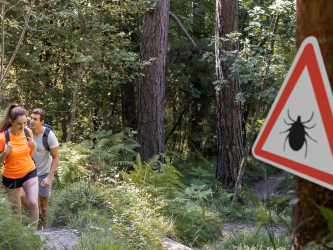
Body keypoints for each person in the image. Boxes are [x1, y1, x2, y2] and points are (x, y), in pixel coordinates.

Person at [0, 104, 38, 232]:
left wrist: (34, 147)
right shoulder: (2, 138)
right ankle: (20, 240)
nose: (23, 127)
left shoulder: (28, 132)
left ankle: (33, 237)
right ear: (11, 122)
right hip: (10, 176)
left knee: (33, 202)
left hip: (29, 171)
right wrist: (5, 152)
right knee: (16, 212)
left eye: (25, 122)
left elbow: (29, 153)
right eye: (19, 124)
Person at [20, 108, 59, 230]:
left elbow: (56, 158)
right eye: (31, 118)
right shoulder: (25, 132)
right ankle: (37, 215)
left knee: (43, 204)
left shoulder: (49, 136)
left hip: (44, 173)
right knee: (22, 197)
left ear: (42, 121)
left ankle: (45, 231)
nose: (32, 121)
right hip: (28, 172)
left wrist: (48, 177)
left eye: (35, 119)